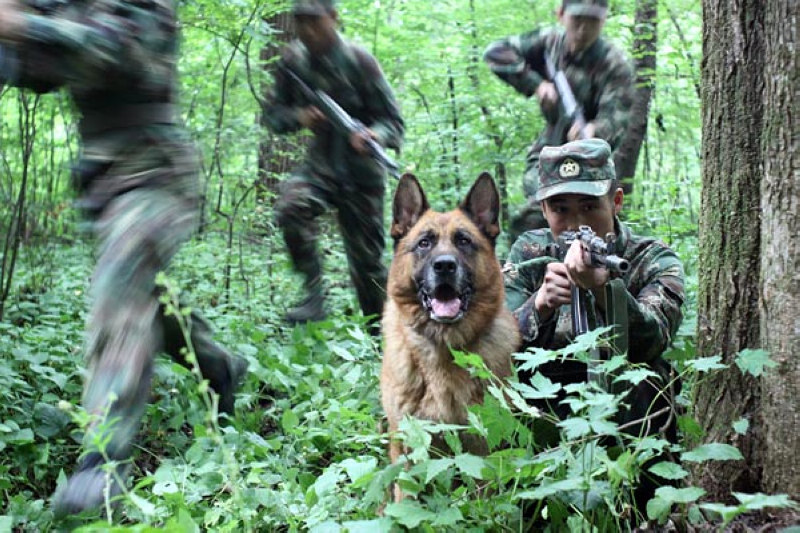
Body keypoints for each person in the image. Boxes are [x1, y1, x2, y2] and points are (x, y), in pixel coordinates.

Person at [0, 0, 248, 516]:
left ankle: (103, 461)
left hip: (159, 176)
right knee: (144, 297)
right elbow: (36, 70)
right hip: (107, 186)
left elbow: (117, 50)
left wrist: (22, 23)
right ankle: (218, 367)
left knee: (120, 278)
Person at [503, 138, 684, 511]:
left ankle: (643, 510)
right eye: (560, 209)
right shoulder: (529, 253)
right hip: (548, 394)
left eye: (589, 207)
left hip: (624, 395)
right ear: (543, 209)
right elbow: (495, 339)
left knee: (650, 380)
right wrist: (540, 306)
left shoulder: (651, 256)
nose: (576, 223)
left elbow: (655, 338)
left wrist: (607, 291)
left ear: (615, 202)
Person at [264, 0, 404, 327]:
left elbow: (394, 124)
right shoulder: (293, 62)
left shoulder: (360, 62)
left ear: (333, 18)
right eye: (300, 22)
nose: (308, 30)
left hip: (362, 176)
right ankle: (313, 296)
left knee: (368, 267)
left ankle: (382, 338)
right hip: (320, 168)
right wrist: (299, 116)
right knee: (291, 207)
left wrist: (374, 136)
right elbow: (273, 115)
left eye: (315, 21)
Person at [484, 0, 634, 237]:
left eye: (592, 22)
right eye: (577, 21)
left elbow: (617, 117)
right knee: (537, 211)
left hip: (592, 157)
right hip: (551, 144)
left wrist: (595, 129)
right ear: (561, 15)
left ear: (603, 20)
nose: (583, 30)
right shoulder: (549, 42)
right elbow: (495, 53)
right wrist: (536, 85)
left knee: (591, 217)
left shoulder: (615, 65)